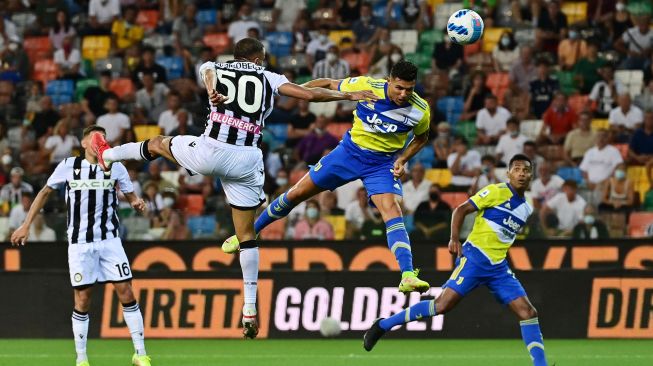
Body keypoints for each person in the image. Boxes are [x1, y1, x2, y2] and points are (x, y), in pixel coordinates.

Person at [92, 38, 377, 339]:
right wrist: (347, 96)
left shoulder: (218, 67)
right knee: (246, 237)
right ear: (257, 59)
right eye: (263, 59)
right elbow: (307, 95)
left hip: (210, 151)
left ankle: (107, 155)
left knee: (158, 143)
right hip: (246, 160)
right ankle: (250, 308)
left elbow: (206, 71)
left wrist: (213, 88)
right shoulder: (269, 77)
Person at [225, 58, 432, 296]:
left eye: (410, 89)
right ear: (389, 81)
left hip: (381, 163)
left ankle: (407, 275)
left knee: (393, 211)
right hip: (348, 153)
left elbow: (421, 137)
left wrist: (403, 158)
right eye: (399, 88)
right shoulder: (366, 86)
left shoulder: (420, 109)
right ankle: (247, 234)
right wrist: (301, 91)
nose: (404, 94)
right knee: (296, 194)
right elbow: (330, 83)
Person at [363, 154, 549, 366]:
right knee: (441, 306)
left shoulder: (526, 208)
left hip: (498, 268)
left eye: (525, 170)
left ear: (531, 174)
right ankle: (384, 325)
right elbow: (461, 209)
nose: (521, 174)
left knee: (528, 312)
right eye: (517, 169)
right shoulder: (496, 191)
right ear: (508, 173)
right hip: (474, 259)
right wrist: (454, 239)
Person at [10, 125, 151, 366]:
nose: (101, 141)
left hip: (109, 240)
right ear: (85, 143)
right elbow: (45, 192)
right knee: (83, 299)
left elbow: (130, 195)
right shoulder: (68, 166)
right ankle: (82, 359)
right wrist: (25, 224)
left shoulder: (116, 167)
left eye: (104, 138)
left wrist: (137, 202)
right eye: (96, 138)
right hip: (80, 244)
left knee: (126, 291)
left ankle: (140, 353)